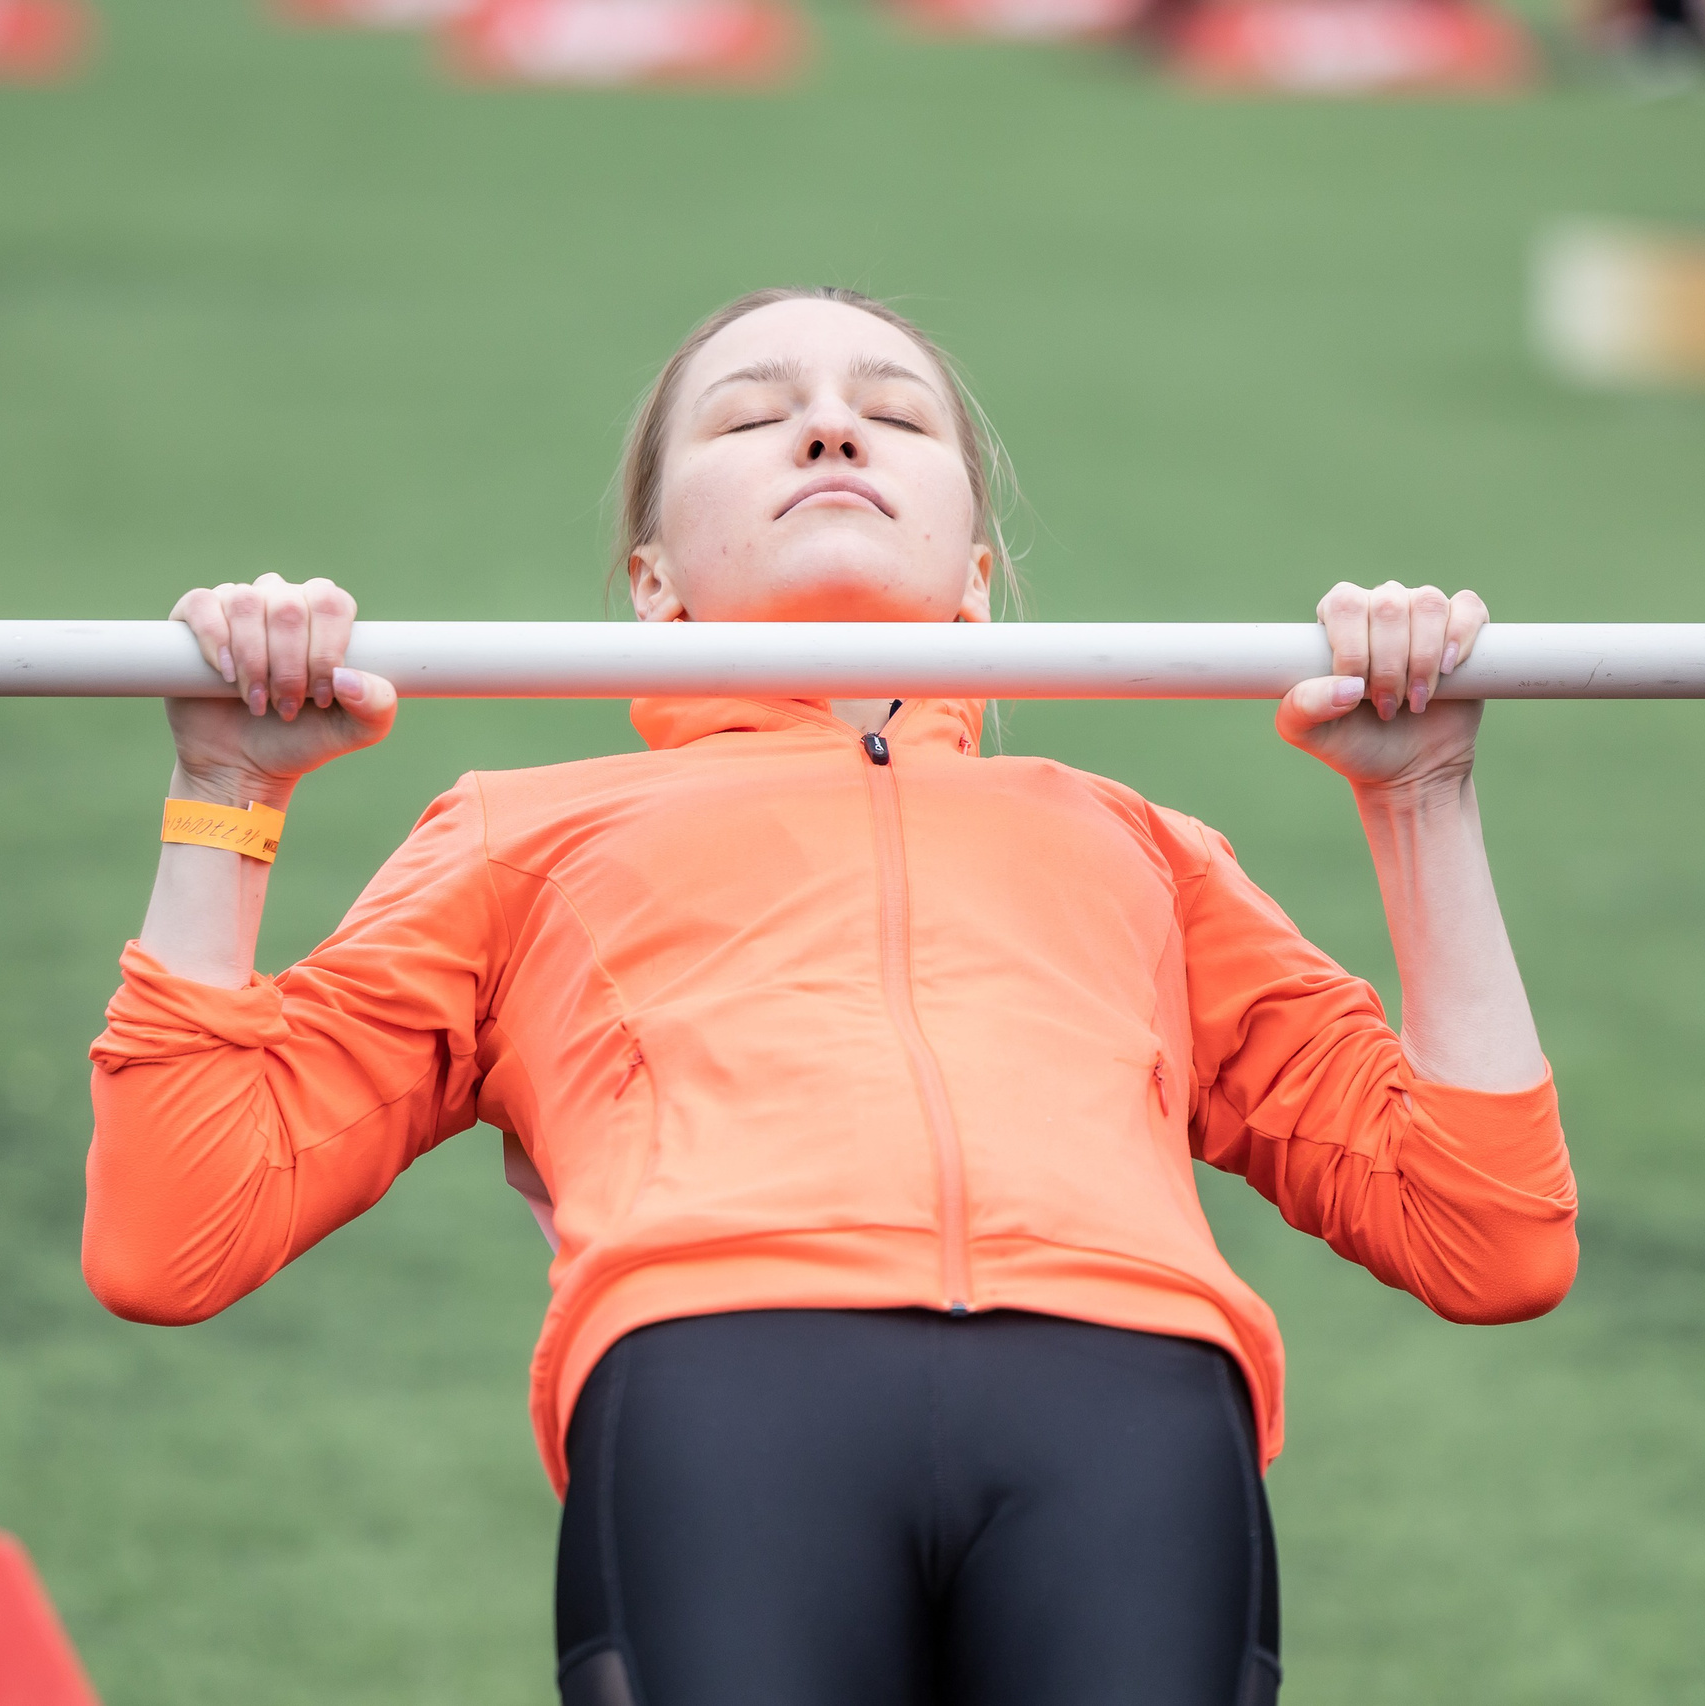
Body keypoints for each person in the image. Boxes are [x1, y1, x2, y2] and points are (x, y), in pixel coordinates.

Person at [83, 286, 1577, 1706]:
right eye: (751, 416)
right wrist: (225, 792)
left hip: (1128, 1408)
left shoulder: (1136, 847)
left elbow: (1487, 1233)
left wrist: (1427, 797)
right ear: (652, 579)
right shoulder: (519, 834)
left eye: (894, 413)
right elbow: (175, 1234)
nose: (829, 429)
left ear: (978, 574)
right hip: (723, 1383)